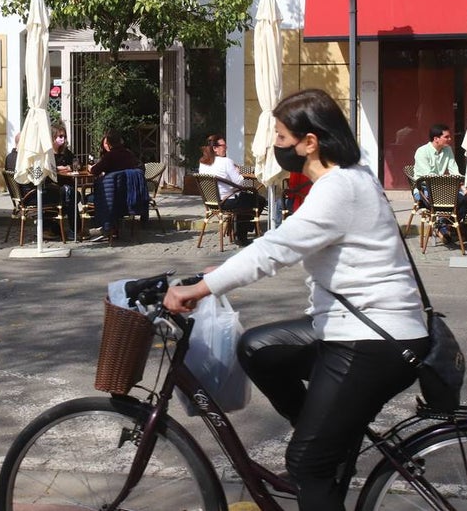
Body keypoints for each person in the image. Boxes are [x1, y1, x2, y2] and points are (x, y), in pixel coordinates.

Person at [163, 88, 428, 511]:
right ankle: (326, 442)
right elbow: (281, 242)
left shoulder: (339, 186)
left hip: (373, 341)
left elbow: (274, 252)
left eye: (282, 137)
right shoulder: (352, 178)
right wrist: (223, 270)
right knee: (259, 349)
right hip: (360, 329)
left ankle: (318, 459)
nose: (277, 146)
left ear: (310, 142)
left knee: (306, 464)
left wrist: (197, 290)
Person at [198, 133, 266, 246]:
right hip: (228, 201)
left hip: (212, 202)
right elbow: (239, 182)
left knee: (246, 199)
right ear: (215, 148)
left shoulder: (203, 162)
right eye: (223, 146)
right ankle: (241, 235)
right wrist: (238, 172)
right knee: (259, 200)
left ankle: (238, 232)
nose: (226, 148)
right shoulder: (226, 162)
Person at [412, 123, 467, 242]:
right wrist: (450, 185)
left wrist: (462, 183)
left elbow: (454, 170)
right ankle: (443, 227)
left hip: (442, 188)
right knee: (447, 202)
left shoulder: (447, 150)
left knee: (466, 200)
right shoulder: (422, 152)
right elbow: (429, 177)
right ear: (436, 139)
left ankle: (442, 224)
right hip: (423, 190)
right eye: (447, 137)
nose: (450, 139)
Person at [87, 130, 142, 242]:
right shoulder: (129, 154)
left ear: (110, 144)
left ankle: (103, 227)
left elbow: (95, 171)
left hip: (113, 197)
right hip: (129, 195)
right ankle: (112, 228)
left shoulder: (110, 156)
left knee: (88, 198)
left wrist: (90, 168)